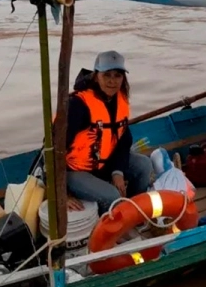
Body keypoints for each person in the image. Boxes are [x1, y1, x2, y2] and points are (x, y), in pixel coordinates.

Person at [63, 51, 154, 214]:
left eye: (117, 75)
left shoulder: (119, 100)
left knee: (144, 165)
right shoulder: (77, 104)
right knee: (112, 196)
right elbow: (54, 150)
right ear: (96, 76)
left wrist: (117, 172)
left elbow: (123, 141)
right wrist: (62, 194)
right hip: (74, 171)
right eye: (107, 75)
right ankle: (110, 225)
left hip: (103, 164)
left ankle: (132, 213)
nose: (112, 81)